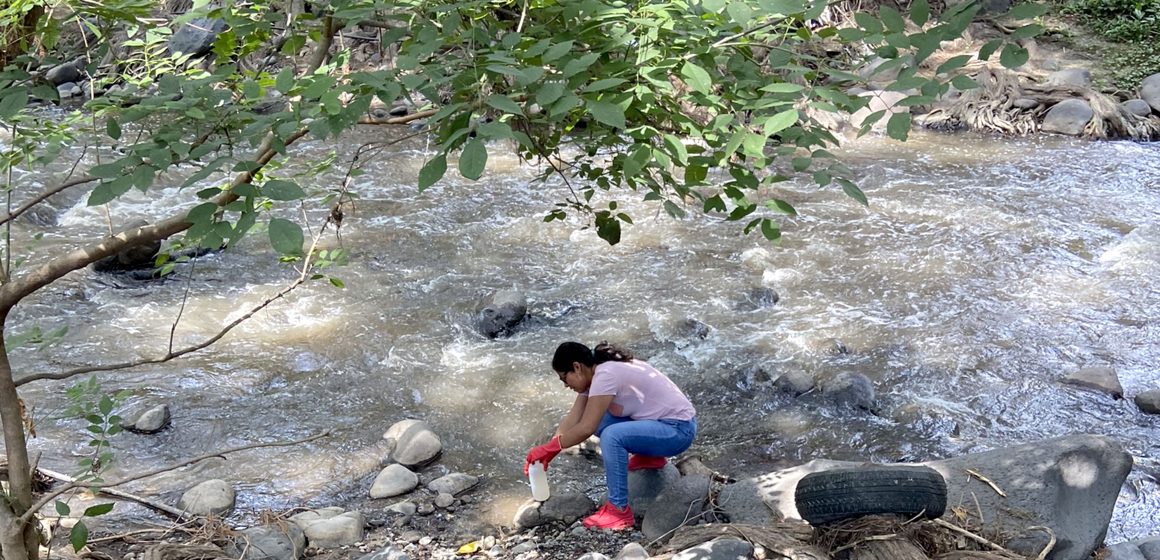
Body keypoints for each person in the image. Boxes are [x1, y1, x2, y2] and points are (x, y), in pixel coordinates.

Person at [523, 341, 697, 530]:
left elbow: (586, 428)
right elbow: (573, 419)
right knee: (603, 420)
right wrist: (548, 451)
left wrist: (549, 449)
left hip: (678, 430)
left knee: (611, 436)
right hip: (664, 426)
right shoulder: (594, 376)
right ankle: (650, 457)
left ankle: (619, 510)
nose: (565, 385)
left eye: (565, 378)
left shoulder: (606, 375)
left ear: (577, 367)